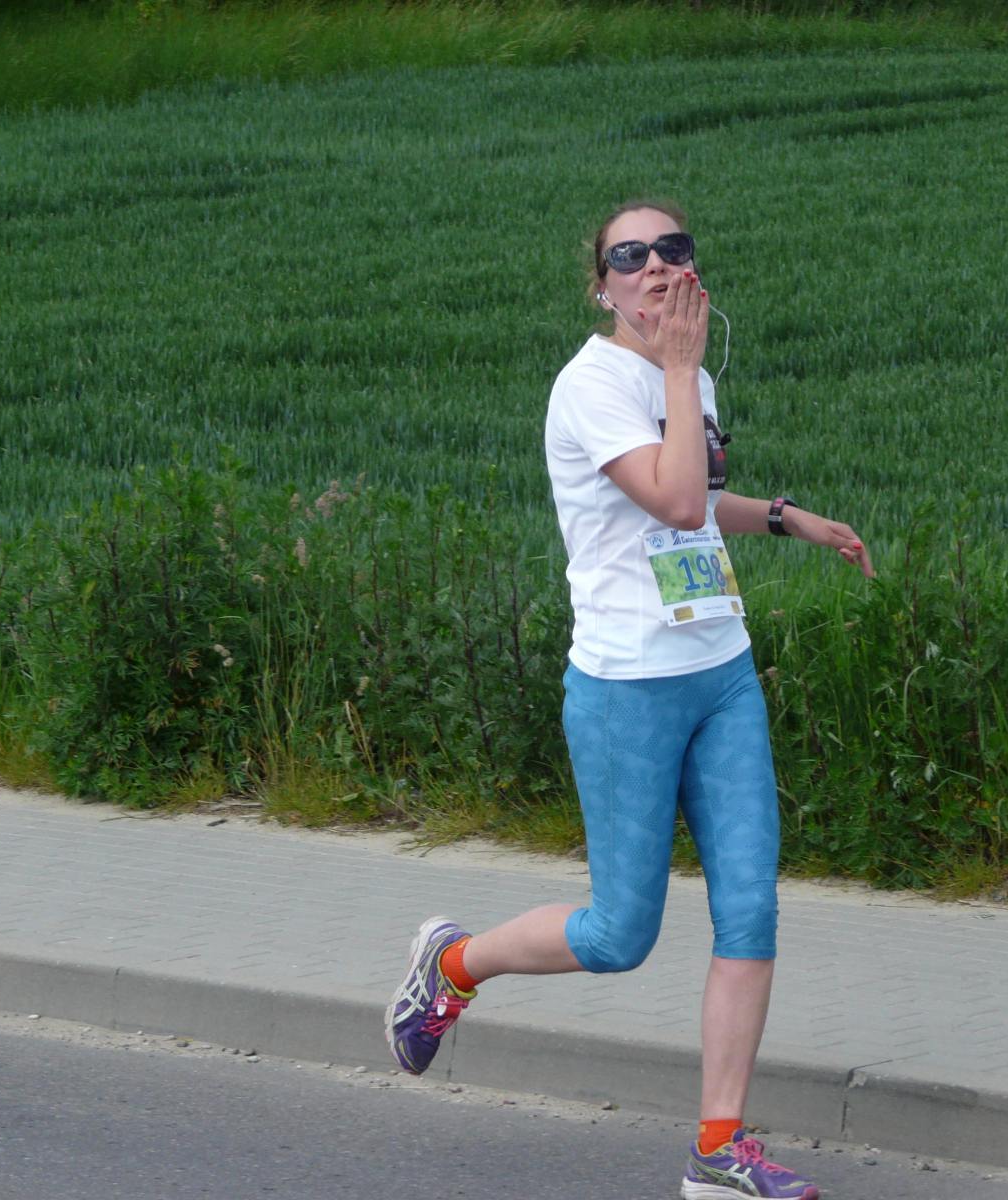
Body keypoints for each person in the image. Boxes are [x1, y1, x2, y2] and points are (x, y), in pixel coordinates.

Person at [385, 199, 874, 1200]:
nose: (655, 264)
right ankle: (454, 963)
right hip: (627, 687)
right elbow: (675, 498)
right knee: (619, 935)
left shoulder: (689, 376)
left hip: (720, 670)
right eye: (631, 255)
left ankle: (718, 1151)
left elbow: (699, 504)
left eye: (672, 249)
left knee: (751, 910)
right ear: (602, 286)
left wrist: (787, 518)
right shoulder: (592, 385)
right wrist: (681, 372)